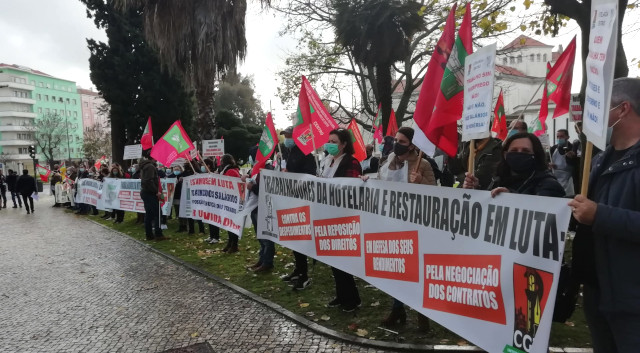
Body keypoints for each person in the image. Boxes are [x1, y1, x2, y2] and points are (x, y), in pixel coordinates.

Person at [569, 78, 640, 353]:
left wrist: (600, 215)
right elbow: (581, 209)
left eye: (598, 108)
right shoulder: (600, 159)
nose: (591, 116)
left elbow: (597, 213)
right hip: (600, 293)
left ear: (622, 110)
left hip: (632, 301)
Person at [367, 127, 435, 328]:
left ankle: (423, 314)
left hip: (417, 224)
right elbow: (379, 185)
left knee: (417, 271)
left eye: (402, 141)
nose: (397, 143)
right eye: (396, 139)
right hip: (392, 224)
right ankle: (397, 310)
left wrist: (421, 181)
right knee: (396, 270)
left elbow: (437, 195)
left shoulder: (422, 164)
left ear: (412, 145)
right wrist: (367, 181)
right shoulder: (388, 162)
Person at [320, 128, 363, 312]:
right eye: (329, 140)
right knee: (333, 261)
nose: (330, 144)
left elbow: (350, 189)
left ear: (344, 144)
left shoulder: (351, 162)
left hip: (343, 218)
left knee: (343, 262)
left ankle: (352, 299)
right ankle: (341, 294)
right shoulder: (327, 161)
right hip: (327, 216)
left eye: (334, 141)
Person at [463, 132, 565, 198]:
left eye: (525, 151)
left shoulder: (549, 185)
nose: (519, 153)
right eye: (514, 150)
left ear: (536, 155)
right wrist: (476, 190)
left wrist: (512, 198)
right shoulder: (497, 179)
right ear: (505, 154)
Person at [279, 126, 316, 290]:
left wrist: (292, 177)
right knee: (293, 238)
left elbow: (309, 175)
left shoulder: (306, 153)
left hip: (302, 201)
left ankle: (304, 274)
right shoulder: (289, 152)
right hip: (291, 201)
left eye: (288, 136)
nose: (286, 139)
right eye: (285, 136)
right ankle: (298, 269)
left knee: (301, 239)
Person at [218, 154, 242, 253]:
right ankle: (230, 242)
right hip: (227, 200)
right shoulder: (227, 171)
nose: (220, 163)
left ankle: (234, 245)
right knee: (229, 223)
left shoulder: (230, 171)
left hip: (232, 201)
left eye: (222, 161)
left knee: (232, 224)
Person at [139, 158, 165, 241]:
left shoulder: (145, 166)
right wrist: (156, 191)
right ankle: (158, 234)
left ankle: (149, 235)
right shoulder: (150, 166)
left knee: (149, 214)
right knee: (158, 213)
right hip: (150, 192)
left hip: (146, 192)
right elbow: (149, 181)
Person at [550, 129, 578, 196]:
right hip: (555, 178)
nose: (559, 138)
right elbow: (548, 161)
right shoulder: (553, 148)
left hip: (568, 180)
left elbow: (576, 165)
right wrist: (550, 165)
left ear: (567, 137)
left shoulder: (573, 148)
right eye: (558, 137)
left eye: (561, 136)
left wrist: (571, 158)